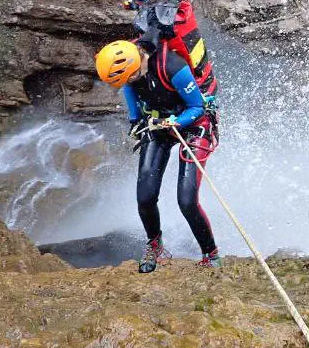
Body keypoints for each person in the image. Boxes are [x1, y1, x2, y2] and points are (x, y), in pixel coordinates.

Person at [95, 38, 221, 272]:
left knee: (186, 201)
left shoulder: (173, 67)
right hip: (158, 124)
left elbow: (197, 107)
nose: (130, 82)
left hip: (194, 125)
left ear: (137, 64)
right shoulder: (131, 75)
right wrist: (135, 122)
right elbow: (131, 91)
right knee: (145, 196)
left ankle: (210, 254)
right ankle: (155, 244)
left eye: (130, 77)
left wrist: (174, 122)